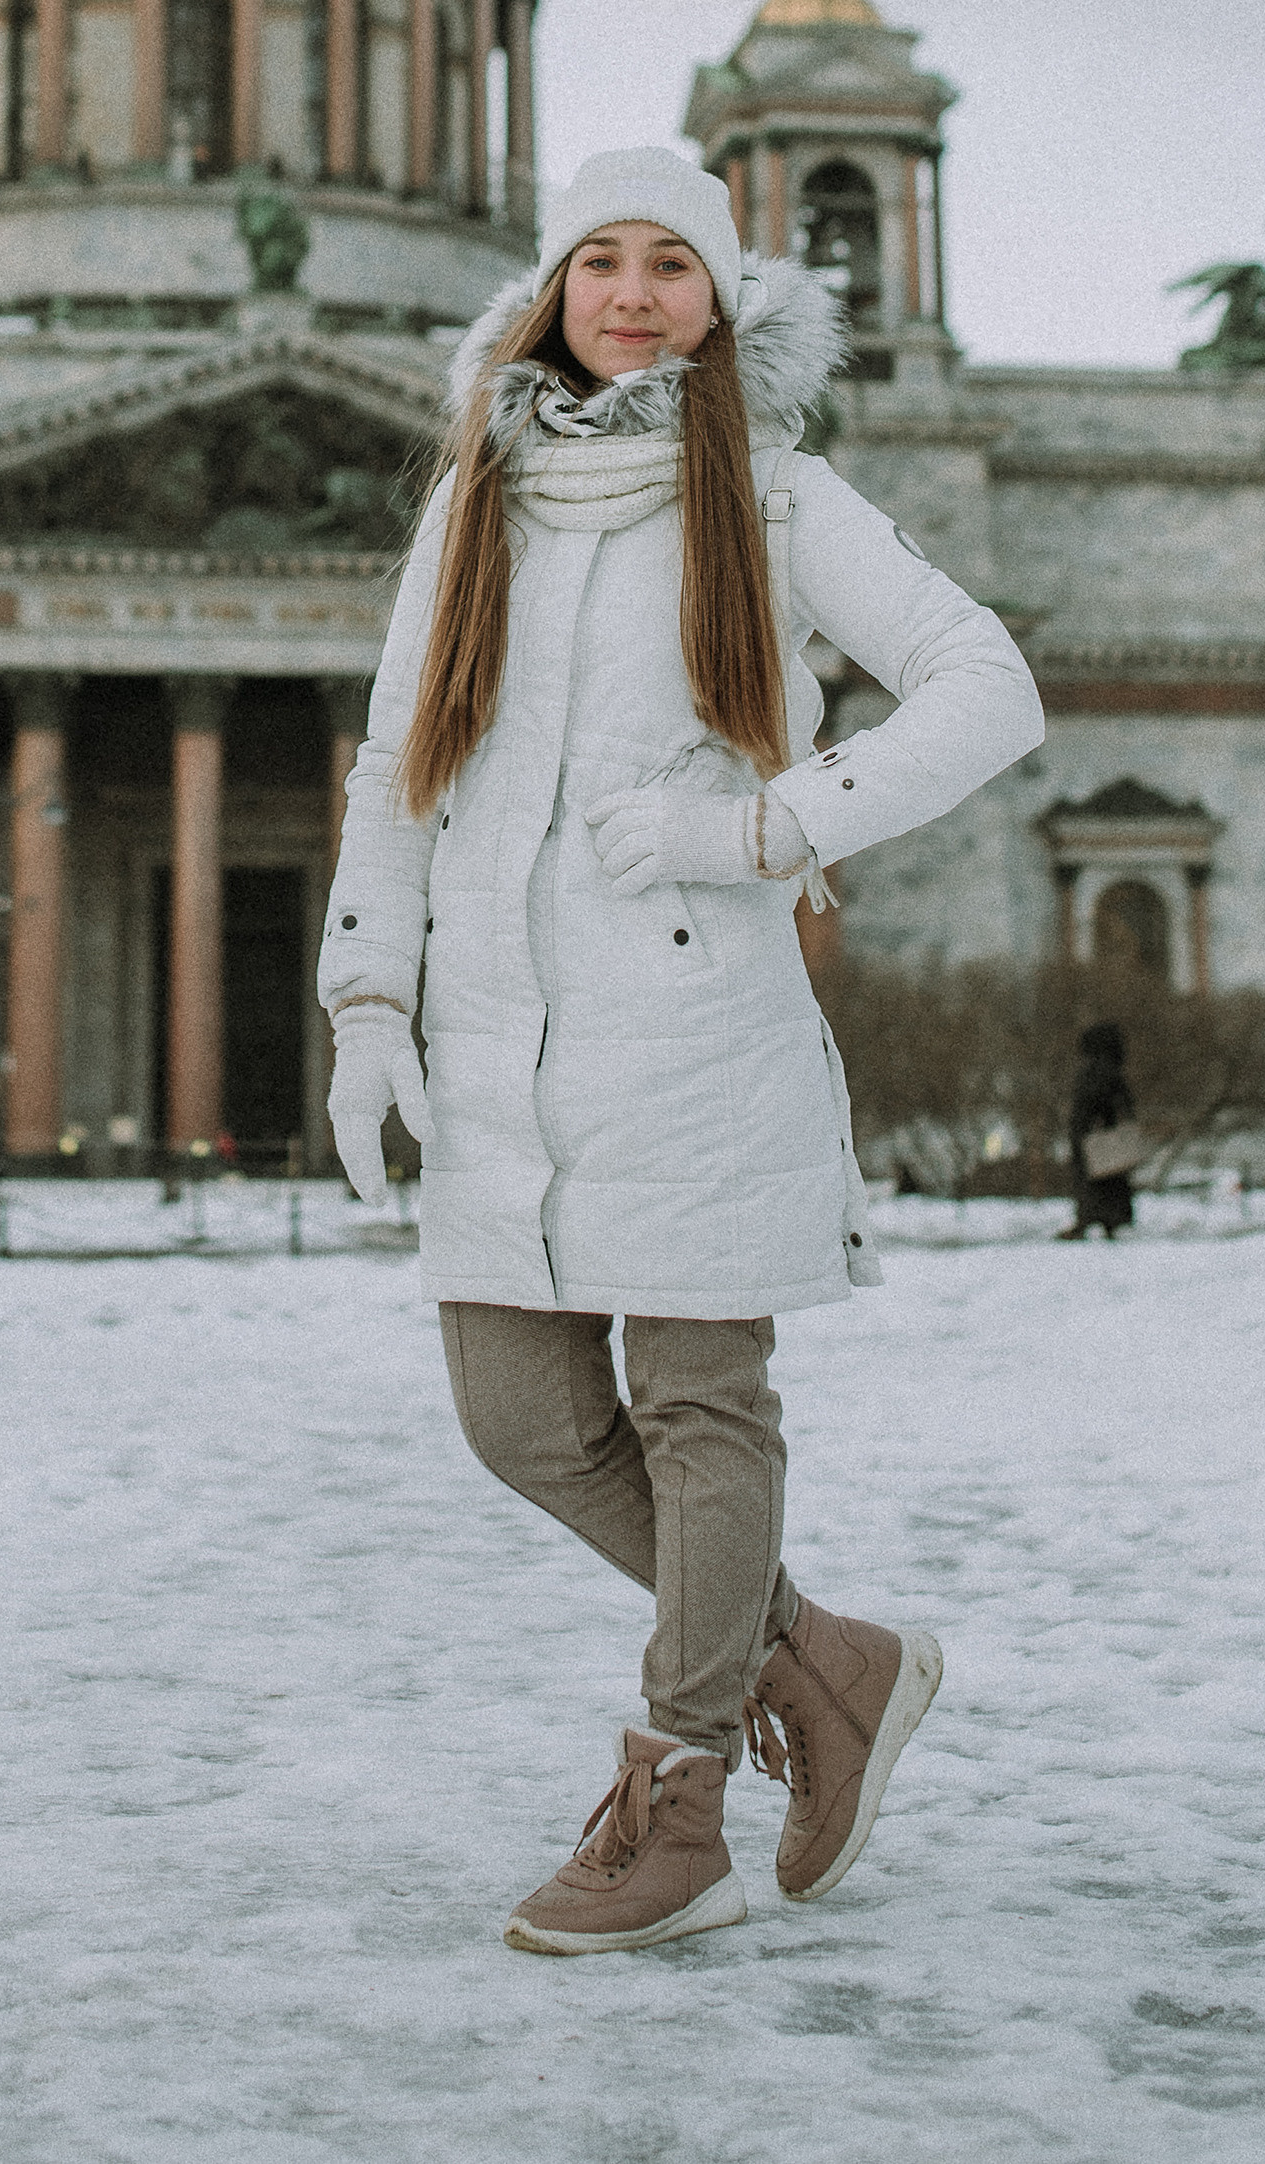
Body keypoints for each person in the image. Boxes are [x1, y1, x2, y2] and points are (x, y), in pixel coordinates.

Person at [321, 147, 1044, 1956]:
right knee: (522, 1419)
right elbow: (395, 766)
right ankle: (831, 1658)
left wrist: (768, 831)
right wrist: (364, 999)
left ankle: (680, 1797)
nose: (633, 293)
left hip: (703, 1030)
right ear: (553, 289)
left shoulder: (779, 499)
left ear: (723, 301)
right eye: (601, 260)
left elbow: (988, 685)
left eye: (673, 265)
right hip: (506, 1037)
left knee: (701, 1411)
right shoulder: (472, 502)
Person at [1063, 1020, 1137, 1238]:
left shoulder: (1092, 1071)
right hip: (1107, 1136)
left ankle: (1092, 1218)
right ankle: (1111, 1219)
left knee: (1092, 1178)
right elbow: (1124, 1104)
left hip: (1092, 1136)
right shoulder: (1114, 1070)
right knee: (1113, 1178)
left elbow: (1087, 1104)